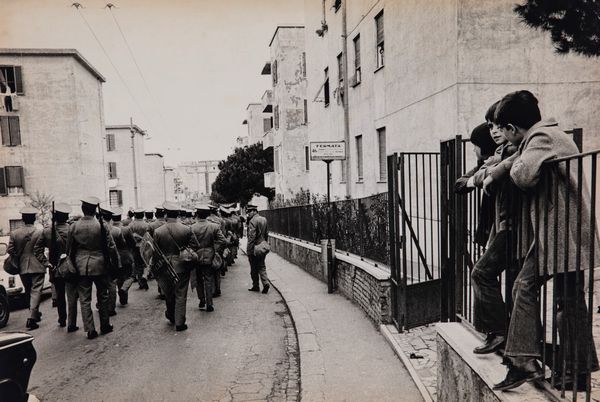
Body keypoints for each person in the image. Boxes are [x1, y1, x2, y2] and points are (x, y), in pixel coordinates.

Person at [488, 90, 599, 391]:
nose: (504, 137)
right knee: (570, 301)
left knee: (525, 287)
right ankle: (576, 374)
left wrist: (512, 162)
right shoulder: (550, 135)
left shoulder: (540, 139)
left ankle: (524, 361)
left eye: (504, 130)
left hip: (562, 233)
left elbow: (524, 177)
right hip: (565, 231)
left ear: (512, 128)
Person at [467, 114, 518, 354]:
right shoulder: (502, 152)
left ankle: (499, 333)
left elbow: (487, 172)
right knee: (517, 289)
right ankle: (507, 339)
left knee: (482, 274)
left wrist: (484, 175)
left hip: (512, 228)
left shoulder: (515, 150)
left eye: (499, 126)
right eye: (491, 127)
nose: (495, 131)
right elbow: (481, 170)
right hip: (505, 227)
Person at [67, 196, 119, 340]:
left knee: (84, 299)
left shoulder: (74, 226)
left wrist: (72, 265)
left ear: (83, 210)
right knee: (103, 296)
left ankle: (90, 329)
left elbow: (70, 249)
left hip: (81, 265)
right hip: (100, 264)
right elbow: (111, 247)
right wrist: (115, 263)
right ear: (95, 210)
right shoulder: (101, 225)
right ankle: (105, 325)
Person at [153, 202, 201, 331]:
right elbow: (195, 246)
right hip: (182, 264)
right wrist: (184, 250)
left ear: (166, 214)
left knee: (169, 292)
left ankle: (171, 315)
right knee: (181, 293)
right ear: (178, 214)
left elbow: (155, 252)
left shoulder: (158, 231)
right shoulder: (186, 229)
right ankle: (180, 322)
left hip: (165, 266)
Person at [34, 202, 79, 331]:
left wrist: (46, 263)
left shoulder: (47, 231)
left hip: (55, 267)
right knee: (71, 296)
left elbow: (37, 249)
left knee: (59, 295)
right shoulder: (73, 229)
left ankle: (62, 319)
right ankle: (72, 323)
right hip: (71, 266)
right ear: (66, 216)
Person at [8, 206, 45, 330]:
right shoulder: (40, 232)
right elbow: (42, 248)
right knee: (36, 291)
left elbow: (10, 250)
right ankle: (32, 318)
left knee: (29, 291)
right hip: (37, 264)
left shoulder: (15, 233)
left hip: (22, 266)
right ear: (34, 218)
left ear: (23, 219)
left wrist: (18, 256)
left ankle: (34, 313)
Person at [191, 205, 226, 312]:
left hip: (196, 256)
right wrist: (215, 249)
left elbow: (189, 243)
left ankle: (201, 299)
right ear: (207, 215)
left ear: (197, 215)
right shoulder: (214, 226)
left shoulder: (192, 227)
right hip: (210, 255)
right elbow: (222, 240)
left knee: (198, 279)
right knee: (208, 279)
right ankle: (209, 303)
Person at [99, 205, 123, 316]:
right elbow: (116, 247)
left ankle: (102, 305)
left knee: (101, 286)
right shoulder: (116, 230)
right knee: (112, 283)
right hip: (112, 258)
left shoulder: (98, 228)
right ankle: (111, 307)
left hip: (99, 260)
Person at [111, 208, 136, 306]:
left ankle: (123, 299)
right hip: (126, 255)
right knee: (130, 276)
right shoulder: (126, 229)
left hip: (114, 257)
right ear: (120, 217)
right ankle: (124, 290)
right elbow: (132, 242)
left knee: (119, 277)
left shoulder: (109, 229)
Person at [246, 204, 270, 294]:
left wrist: (249, 250)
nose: (249, 213)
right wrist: (264, 243)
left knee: (253, 268)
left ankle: (256, 285)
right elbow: (267, 233)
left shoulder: (252, 221)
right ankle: (265, 283)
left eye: (250, 211)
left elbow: (251, 237)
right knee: (262, 266)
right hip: (262, 246)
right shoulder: (264, 219)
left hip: (255, 247)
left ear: (255, 211)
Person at [207, 204, 227, 297]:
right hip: (218, 247)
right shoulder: (221, 221)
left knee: (209, 271)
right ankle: (218, 288)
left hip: (208, 248)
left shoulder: (205, 221)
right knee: (217, 269)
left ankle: (212, 289)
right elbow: (223, 235)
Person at [129, 208, 150, 290]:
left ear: (135, 215)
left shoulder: (131, 225)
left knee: (137, 264)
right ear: (143, 215)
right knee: (145, 263)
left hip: (135, 246)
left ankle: (140, 281)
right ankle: (144, 277)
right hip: (144, 246)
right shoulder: (146, 225)